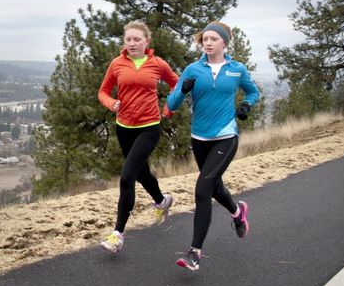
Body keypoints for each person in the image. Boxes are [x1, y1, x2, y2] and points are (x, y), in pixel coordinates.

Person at [166, 21, 260, 271]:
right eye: (204, 39)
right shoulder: (193, 70)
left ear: (224, 43)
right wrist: (183, 89)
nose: (207, 43)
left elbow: (253, 92)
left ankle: (194, 253)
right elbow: (172, 104)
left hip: (226, 135)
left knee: (203, 189)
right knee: (215, 186)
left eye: (212, 39)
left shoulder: (236, 69)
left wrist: (246, 105)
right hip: (199, 138)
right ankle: (237, 210)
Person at [98, 21, 180, 253]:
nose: (132, 43)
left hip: (149, 127)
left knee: (127, 178)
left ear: (147, 42)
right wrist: (110, 103)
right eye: (128, 39)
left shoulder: (157, 64)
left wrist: (169, 110)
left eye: (137, 39)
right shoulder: (117, 64)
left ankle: (118, 234)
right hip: (124, 127)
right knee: (141, 171)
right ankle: (162, 200)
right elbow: (103, 91)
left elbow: (178, 85)